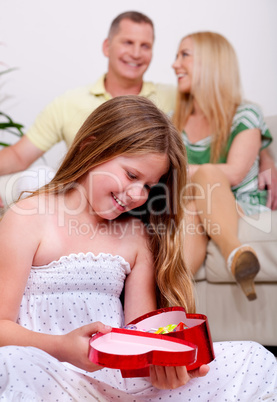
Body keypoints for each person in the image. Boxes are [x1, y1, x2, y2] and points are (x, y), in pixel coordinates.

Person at [0, 96, 276, 401]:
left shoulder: (135, 236)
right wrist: (61, 347)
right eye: (132, 175)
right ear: (90, 147)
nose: (137, 194)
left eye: (149, 186)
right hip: (51, 371)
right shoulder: (29, 217)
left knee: (255, 358)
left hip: (121, 384)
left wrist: (169, 363)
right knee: (12, 364)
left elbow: (140, 336)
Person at [0, 11, 276, 210]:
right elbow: (18, 155)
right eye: (128, 43)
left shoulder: (173, 98)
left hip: (141, 204)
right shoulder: (68, 103)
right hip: (91, 200)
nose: (136, 53)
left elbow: (229, 114)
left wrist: (265, 158)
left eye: (145, 46)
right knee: (39, 178)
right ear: (108, 47)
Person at [172, 31, 274, 301]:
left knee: (208, 173)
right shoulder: (174, 122)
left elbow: (235, 171)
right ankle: (234, 257)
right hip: (191, 203)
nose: (174, 64)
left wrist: (187, 172)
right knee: (193, 206)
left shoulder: (245, 113)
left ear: (211, 63)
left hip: (237, 203)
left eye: (185, 55)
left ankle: (231, 250)